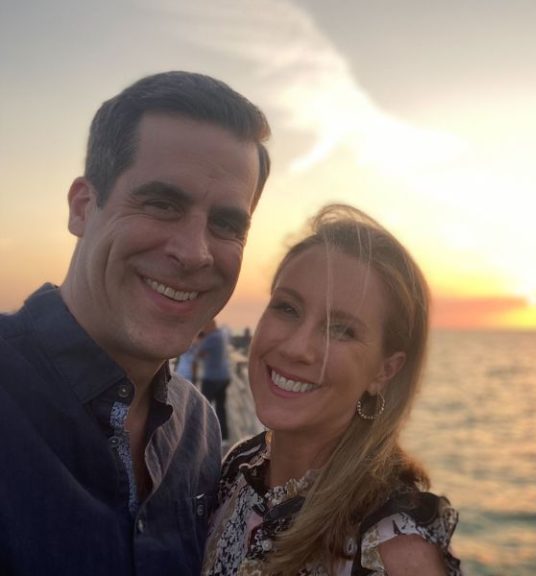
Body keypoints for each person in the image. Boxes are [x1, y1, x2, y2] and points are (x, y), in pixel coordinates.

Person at [0, 71, 271, 575]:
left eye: (226, 224)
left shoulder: (197, 429)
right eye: (162, 204)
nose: (194, 252)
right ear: (83, 207)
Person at [203, 204, 462, 575]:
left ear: (385, 370)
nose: (296, 348)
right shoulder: (239, 469)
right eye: (287, 308)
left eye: (341, 330)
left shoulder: (393, 550)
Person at [198, 318, 233, 441]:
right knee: (220, 407)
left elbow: (199, 353)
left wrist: (202, 338)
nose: (203, 329)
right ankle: (224, 437)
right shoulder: (222, 335)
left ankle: (202, 435)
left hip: (212, 378)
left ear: (210, 325)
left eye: (205, 326)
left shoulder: (211, 338)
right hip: (224, 376)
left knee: (203, 407)